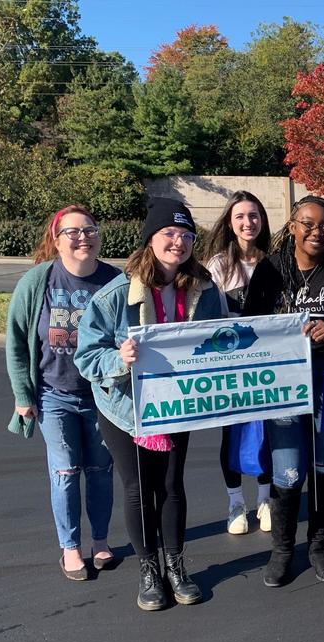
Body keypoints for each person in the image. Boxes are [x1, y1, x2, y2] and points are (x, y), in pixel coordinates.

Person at [75, 198, 222, 611]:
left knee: (172, 486)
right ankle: (149, 569)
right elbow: (87, 356)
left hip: (178, 404)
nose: (178, 242)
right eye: (169, 234)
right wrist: (118, 359)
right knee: (139, 489)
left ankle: (175, 565)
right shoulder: (115, 295)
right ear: (151, 240)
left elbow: (222, 338)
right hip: (125, 408)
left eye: (186, 235)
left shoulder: (203, 288)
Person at [244, 196, 324, 587]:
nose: (317, 232)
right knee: (289, 470)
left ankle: (319, 545)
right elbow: (250, 327)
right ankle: (282, 550)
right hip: (283, 387)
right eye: (308, 224)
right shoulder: (270, 270)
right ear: (293, 226)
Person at [6, 205, 119, 581]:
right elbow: (17, 343)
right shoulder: (38, 282)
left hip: (102, 395)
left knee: (101, 470)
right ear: (56, 240)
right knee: (66, 470)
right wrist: (24, 396)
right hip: (53, 395)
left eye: (89, 229)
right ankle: (70, 548)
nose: (83, 236)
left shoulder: (115, 282)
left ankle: (100, 541)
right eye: (72, 231)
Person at [202, 191, 274, 536]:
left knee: (266, 432)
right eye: (241, 216)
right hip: (229, 367)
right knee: (231, 435)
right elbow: (207, 319)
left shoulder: (274, 262)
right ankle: (235, 502)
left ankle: (264, 499)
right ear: (230, 223)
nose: (249, 222)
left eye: (254, 215)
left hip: (265, 364)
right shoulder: (216, 266)